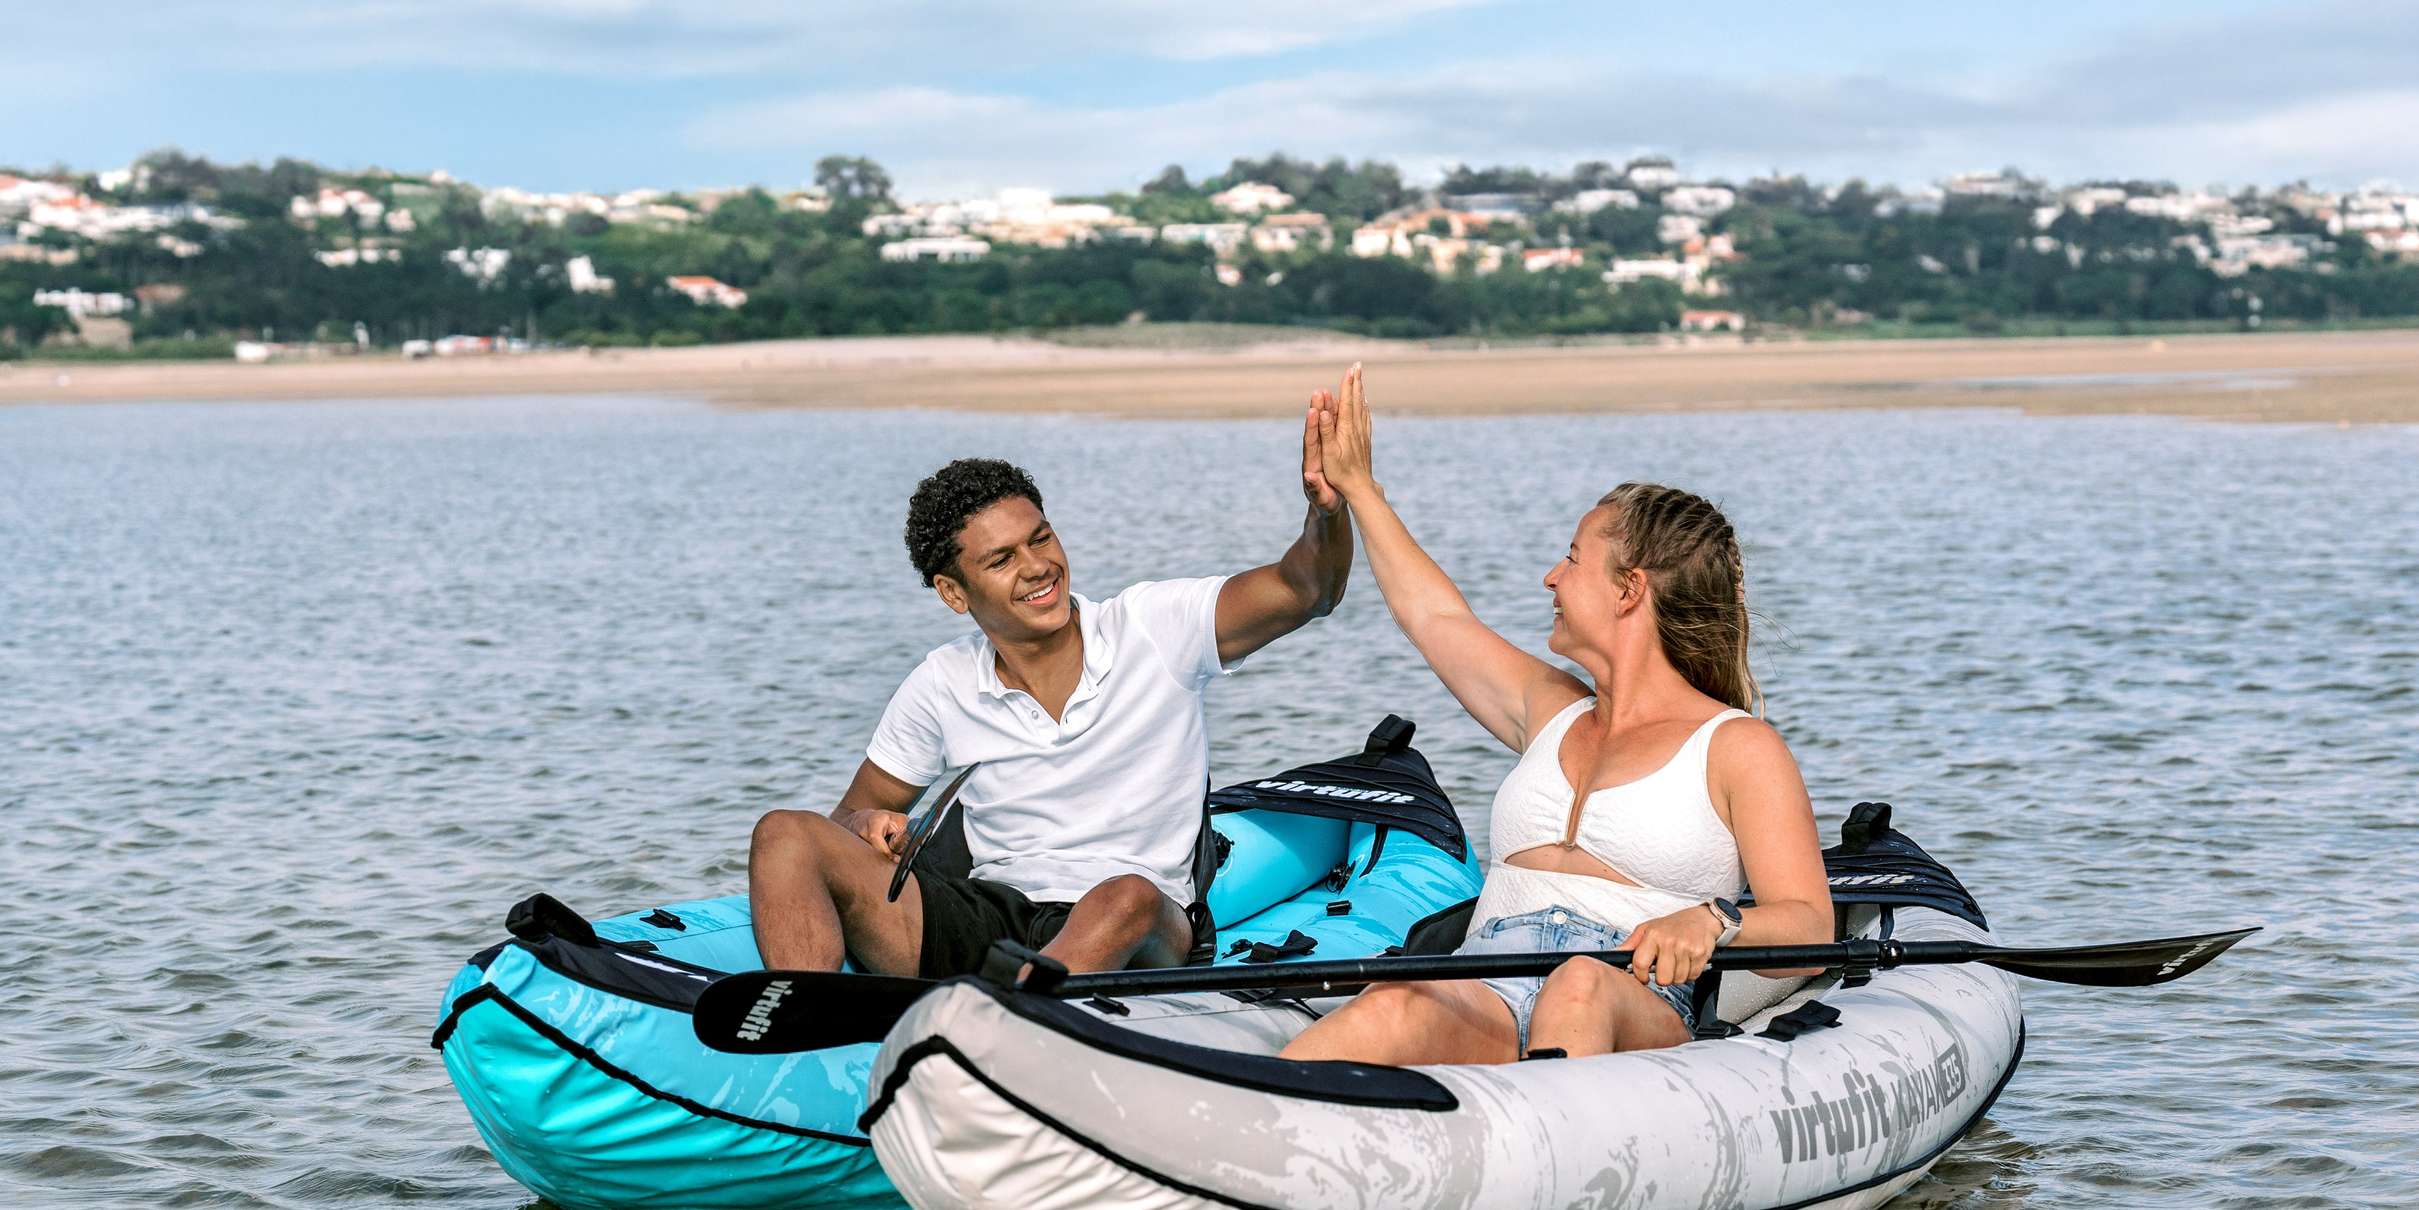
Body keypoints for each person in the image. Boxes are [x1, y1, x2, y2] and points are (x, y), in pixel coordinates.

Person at [1283, 366, 1832, 1065]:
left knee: (1579, 986)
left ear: (1630, 590)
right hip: (1487, 975)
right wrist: (1357, 487)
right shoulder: (1551, 710)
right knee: (1395, 1000)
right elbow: (1435, 615)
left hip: (1630, 994)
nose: (1551, 576)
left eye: (1572, 558)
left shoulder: (1735, 747)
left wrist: (1712, 921)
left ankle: (1555, 1157)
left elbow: (1808, 920)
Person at [749, 408, 1352, 978]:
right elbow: (847, 815)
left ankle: (1013, 1018)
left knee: (1123, 897)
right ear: (953, 593)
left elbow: (1307, 590)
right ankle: (805, 1011)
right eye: (1002, 559)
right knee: (784, 831)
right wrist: (868, 824)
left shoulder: (1152, 626)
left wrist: (1327, 512)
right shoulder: (940, 684)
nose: (1038, 566)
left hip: (1143, 924)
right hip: (993, 918)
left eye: (1041, 538)